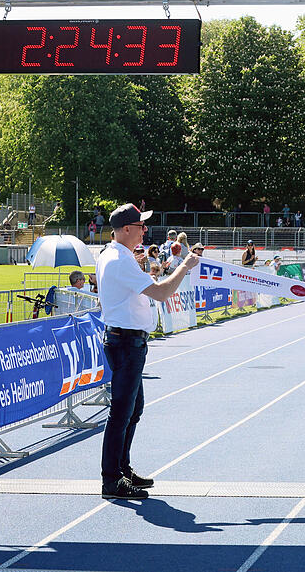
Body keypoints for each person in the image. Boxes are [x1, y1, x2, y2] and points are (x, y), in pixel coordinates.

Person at [96, 203, 199, 500]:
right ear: (126, 229)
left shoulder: (116, 256)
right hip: (126, 342)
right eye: (140, 225)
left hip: (128, 341)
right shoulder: (118, 260)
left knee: (133, 409)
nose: (145, 230)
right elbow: (162, 292)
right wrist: (184, 266)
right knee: (121, 413)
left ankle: (121, 469)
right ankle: (111, 479)